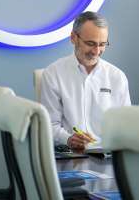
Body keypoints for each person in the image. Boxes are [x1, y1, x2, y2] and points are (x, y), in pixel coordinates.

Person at [41, 11, 131, 150]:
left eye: (102, 44)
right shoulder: (53, 74)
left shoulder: (117, 77)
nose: (96, 51)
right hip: (69, 154)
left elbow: (126, 126)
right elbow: (49, 125)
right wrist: (69, 139)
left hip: (109, 154)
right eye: (90, 43)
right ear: (73, 38)